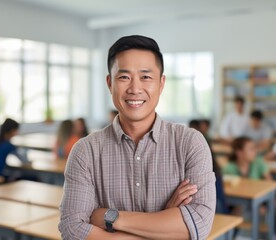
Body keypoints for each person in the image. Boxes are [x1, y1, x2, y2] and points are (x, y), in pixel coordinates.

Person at [59, 35, 216, 239]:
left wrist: (110, 218)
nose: (134, 89)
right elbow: (72, 230)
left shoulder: (190, 142)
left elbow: (200, 224)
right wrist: (164, 223)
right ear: (109, 83)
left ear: (161, 83)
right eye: (124, 77)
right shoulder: (86, 151)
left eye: (146, 77)